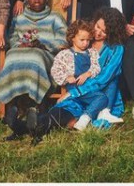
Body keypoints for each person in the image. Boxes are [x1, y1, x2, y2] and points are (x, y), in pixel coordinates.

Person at [22, 8, 127, 144]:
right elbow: (61, 67)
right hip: (77, 94)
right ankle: (26, 126)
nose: (97, 32)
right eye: (97, 26)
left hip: (100, 96)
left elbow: (103, 79)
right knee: (62, 111)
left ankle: (37, 126)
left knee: (81, 112)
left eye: (104, 31)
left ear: (112, 33)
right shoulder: (83, 38)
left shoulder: (116, 49)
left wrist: (73, 92)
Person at [0, 0, 68, 140]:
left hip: (46, 55)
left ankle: (36, 108)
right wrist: (19, 44)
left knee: (35, 57)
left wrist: (44, 44)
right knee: (11, 56)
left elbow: (64, 39)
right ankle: (14, 109)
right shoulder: (19, 18)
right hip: (21, 53)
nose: (36, 0)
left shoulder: (55, 18)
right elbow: (12, 37)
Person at [50, 20, 108, 130]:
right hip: (73, 92)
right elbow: (55, 70)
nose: (85, 43)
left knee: (102, 98)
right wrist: (66, 78)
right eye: (82, 40)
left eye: (88, 40)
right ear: (73, 37)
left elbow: (97, 67)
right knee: (61, 110)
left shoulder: (92, 53)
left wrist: (87, 74)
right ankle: (39, 122)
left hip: (88, 91)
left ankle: (85, 118)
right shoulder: (64, 54)